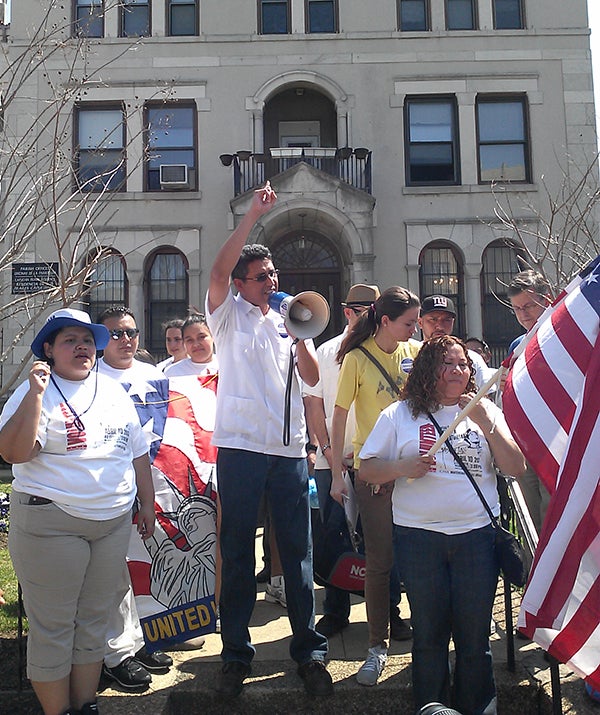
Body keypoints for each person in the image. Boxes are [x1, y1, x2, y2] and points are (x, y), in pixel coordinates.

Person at [205, 182, 332, 698]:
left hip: (287, 452)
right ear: (239, 284)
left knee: (298, 554)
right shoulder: (227, 314)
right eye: (260, 277)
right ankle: (235, 652)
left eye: (273, 275)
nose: (270, 282)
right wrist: (252, 218)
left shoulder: (287, 320)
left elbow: (310, 378)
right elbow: (217, 271)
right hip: (239, 447)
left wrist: (301, 336)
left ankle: (310, 651)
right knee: (237, 551)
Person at [359, 335, 526, 715]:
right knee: (429, 635)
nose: (457, 371)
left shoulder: (484, 411)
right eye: (447, 364)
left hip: (475, 538)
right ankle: (431, 707)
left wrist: (487, 424)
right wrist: (403, 467)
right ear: (427, 371)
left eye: (463, 364)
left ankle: (479, 706)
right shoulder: (399, 415)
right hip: (418, 539)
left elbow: (516, 467)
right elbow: (367, 468)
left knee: (474, 636)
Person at [0, 308, 155, 715]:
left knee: (93, 624)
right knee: (54, 628)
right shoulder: (34, 392)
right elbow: (15, 451)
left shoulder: (112, 391)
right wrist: (35, 394)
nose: (82, 346)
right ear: (49, 350)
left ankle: (85, 705)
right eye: (69, 340)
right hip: (52, 523)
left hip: (111, 524)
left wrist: (146, 502)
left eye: (87, 340)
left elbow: (136, 453)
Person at [330, 286, 421, 686]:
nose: (414, 329)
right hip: (373, 472)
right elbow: (339, 417)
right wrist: (336, 472)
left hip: (415, 470)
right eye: (408, 323)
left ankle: (428, 644)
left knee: (421, 558)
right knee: (379, 562)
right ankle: (375, 647)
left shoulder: (415, 354)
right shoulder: (354, 359)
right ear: (385, 321)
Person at [97, 307, 173, 690]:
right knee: (112, 576)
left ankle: (137, 641)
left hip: (149, 486)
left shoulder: (154, 375)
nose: (126, 340)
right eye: (116, 334)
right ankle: (115, 654)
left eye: (131, 333)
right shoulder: (93, 378)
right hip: (105, 491)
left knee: (137, 572)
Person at [303, 283, 381, 638]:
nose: (367, 317)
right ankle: (336, 611)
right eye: (361, 310)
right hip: (330, 462)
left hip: (376, 461)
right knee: (336, 536)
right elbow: (314, 405)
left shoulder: (386, 348)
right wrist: (328, 451)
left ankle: (387, 608)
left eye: (373, 310)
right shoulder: (327, 351)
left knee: (379, 538)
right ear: (348, 312)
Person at [506, 270, 553, 536]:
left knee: (552, 512)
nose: (523, 314)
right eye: (516, 308)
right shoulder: (517, 346)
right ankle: (532, 574)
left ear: (546, 301)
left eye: (528, 306)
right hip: (526, 443)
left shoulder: (561, 338)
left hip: (556, 440)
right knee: (529, 518)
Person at [418, 296, 492, 390]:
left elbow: (486, 395)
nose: (440, 326)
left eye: (447, 320)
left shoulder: (473, 359)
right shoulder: (411, 355)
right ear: (420, 322)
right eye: (433, 319)